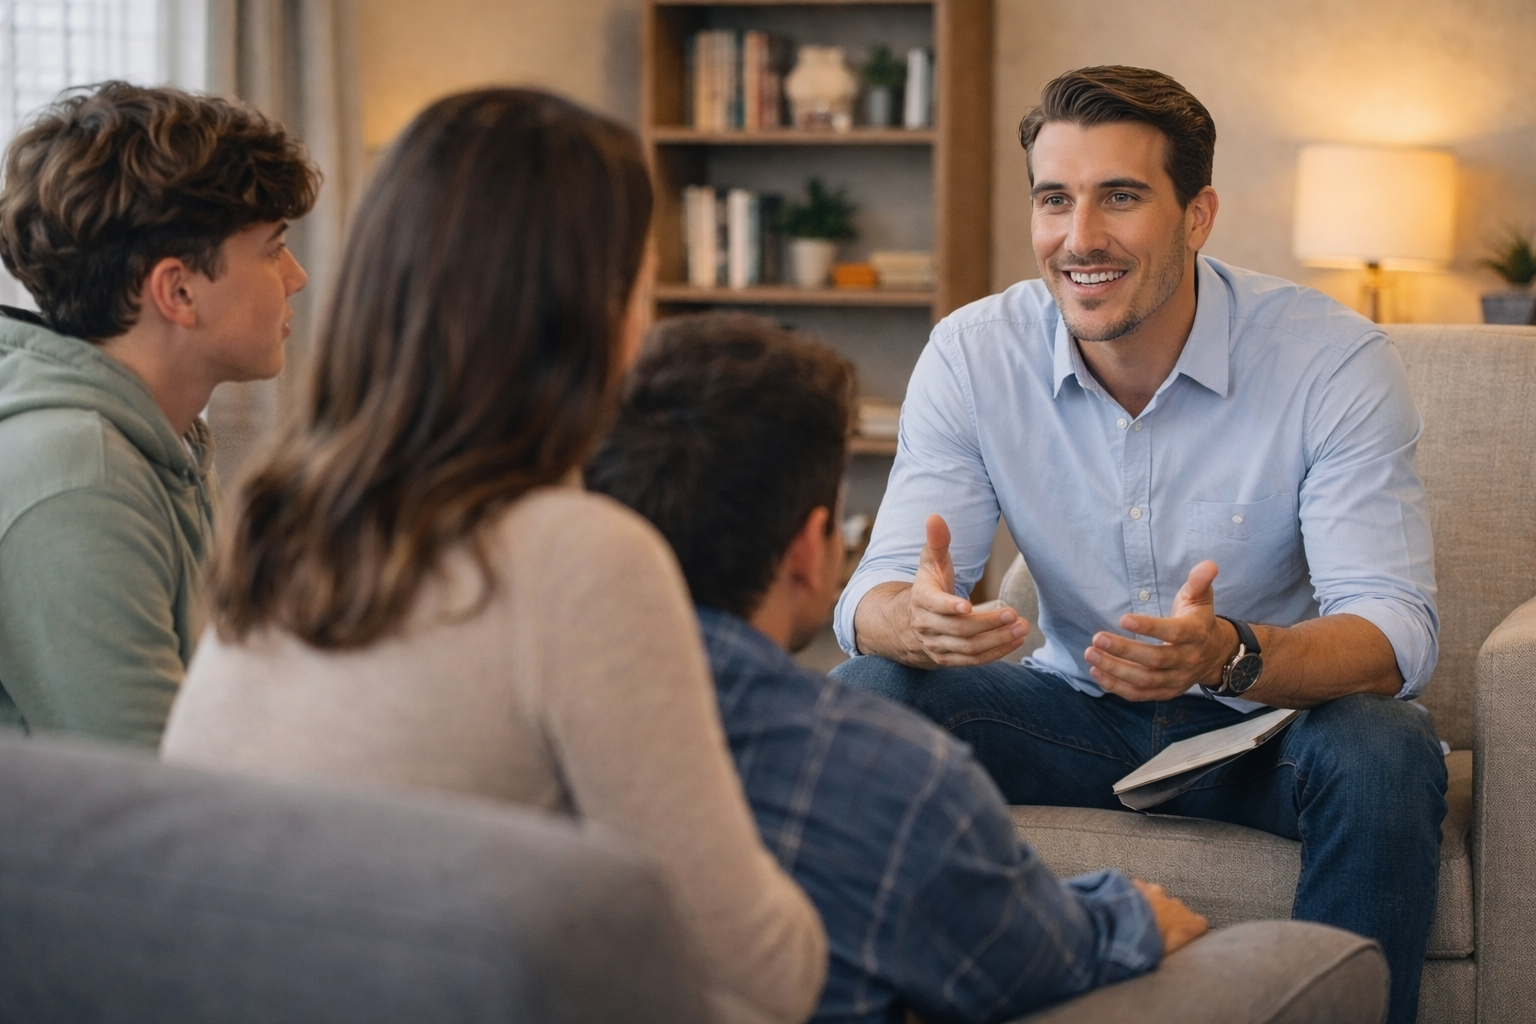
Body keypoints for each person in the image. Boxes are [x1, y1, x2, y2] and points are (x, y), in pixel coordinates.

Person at [159, 89, 826, 1024]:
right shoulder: (575, 556)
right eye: (642, 278)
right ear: (593, 310)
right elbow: (764, 969)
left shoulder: (283, 514)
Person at [830, 66, 1446, 1024]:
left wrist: (1235, 652)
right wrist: (912, 622)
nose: (1079, 239)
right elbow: (871, 595)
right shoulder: (972, 352)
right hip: (1066, 715)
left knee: (1387, 747)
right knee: (866, 694)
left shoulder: (1333, 361)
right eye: (1054, 200)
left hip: (1260, 732)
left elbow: (1395, 630)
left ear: (1196, 216)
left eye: (1120, 197)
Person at [586, 310, 1208, 1024]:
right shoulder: (885, 778)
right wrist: (1127, 914)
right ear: (813, 547)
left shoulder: (516, 717)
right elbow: (1031, 963)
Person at [0, 82, 317, 748]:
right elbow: (153, 796)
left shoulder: (159, 437)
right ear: (177, 291)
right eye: (270, 249)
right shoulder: (82, 478)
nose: (296, 277)